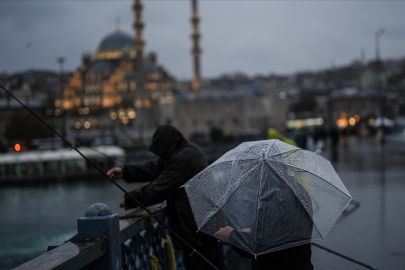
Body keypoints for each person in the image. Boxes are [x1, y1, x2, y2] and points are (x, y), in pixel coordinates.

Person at [107, 124, 226, 270]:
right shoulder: (187, 152)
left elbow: (159, 189)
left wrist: (129, 199)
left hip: (198, 234)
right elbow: (156, 168)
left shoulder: (184, 158)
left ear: (166, 144)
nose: (160, 155)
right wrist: (126, 172)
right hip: (208, 228)